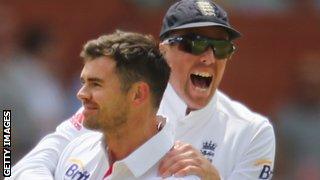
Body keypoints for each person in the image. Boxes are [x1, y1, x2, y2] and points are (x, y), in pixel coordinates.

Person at [9, 0, 275, 179]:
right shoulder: (127, 100)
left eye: (221, 48)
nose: (208, 58)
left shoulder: (252, 131)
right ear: (163, 50)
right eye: (193, 44)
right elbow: (34, 162)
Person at [54, 30, 199, 179]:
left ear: (138, 94)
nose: (81, 94)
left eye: (96, 84)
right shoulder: (77, 149)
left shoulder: (181, 176)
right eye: (84, 82)